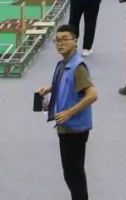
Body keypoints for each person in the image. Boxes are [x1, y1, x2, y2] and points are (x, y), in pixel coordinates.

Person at [39, 24, 98, 200]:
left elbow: (92, 95)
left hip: (75, 129)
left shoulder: (78, 67)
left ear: (75, 41)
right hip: (65, 127)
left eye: (65, 39)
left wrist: (69, 113)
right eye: (57, 40)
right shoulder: (64, 64)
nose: (60, 43)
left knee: (74, 175)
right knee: (71, 173)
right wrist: (50, 88)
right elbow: (65, 81)